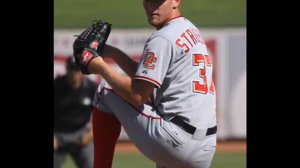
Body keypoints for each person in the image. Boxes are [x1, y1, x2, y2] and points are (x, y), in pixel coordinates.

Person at [82, 0, 217, 167]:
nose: (152, 6)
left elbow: (138, 95)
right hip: (206, 148)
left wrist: (101, 67)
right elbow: (148, 78)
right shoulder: (190, 29)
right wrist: (113, 53)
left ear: (176, 1)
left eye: (158, 1)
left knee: (105, 91)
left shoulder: (163, 37)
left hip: (176, 141)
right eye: (148, 1)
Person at [54, 57, 97, 168]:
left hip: (81, 133)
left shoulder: (91, 88)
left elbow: (101, 112)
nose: (74, 73)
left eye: (77, 69)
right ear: (67, 69)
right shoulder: (56, 86)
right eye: (71, 69)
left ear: (82, 71)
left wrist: (91, 133)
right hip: (59, 134)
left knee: (92, 165)